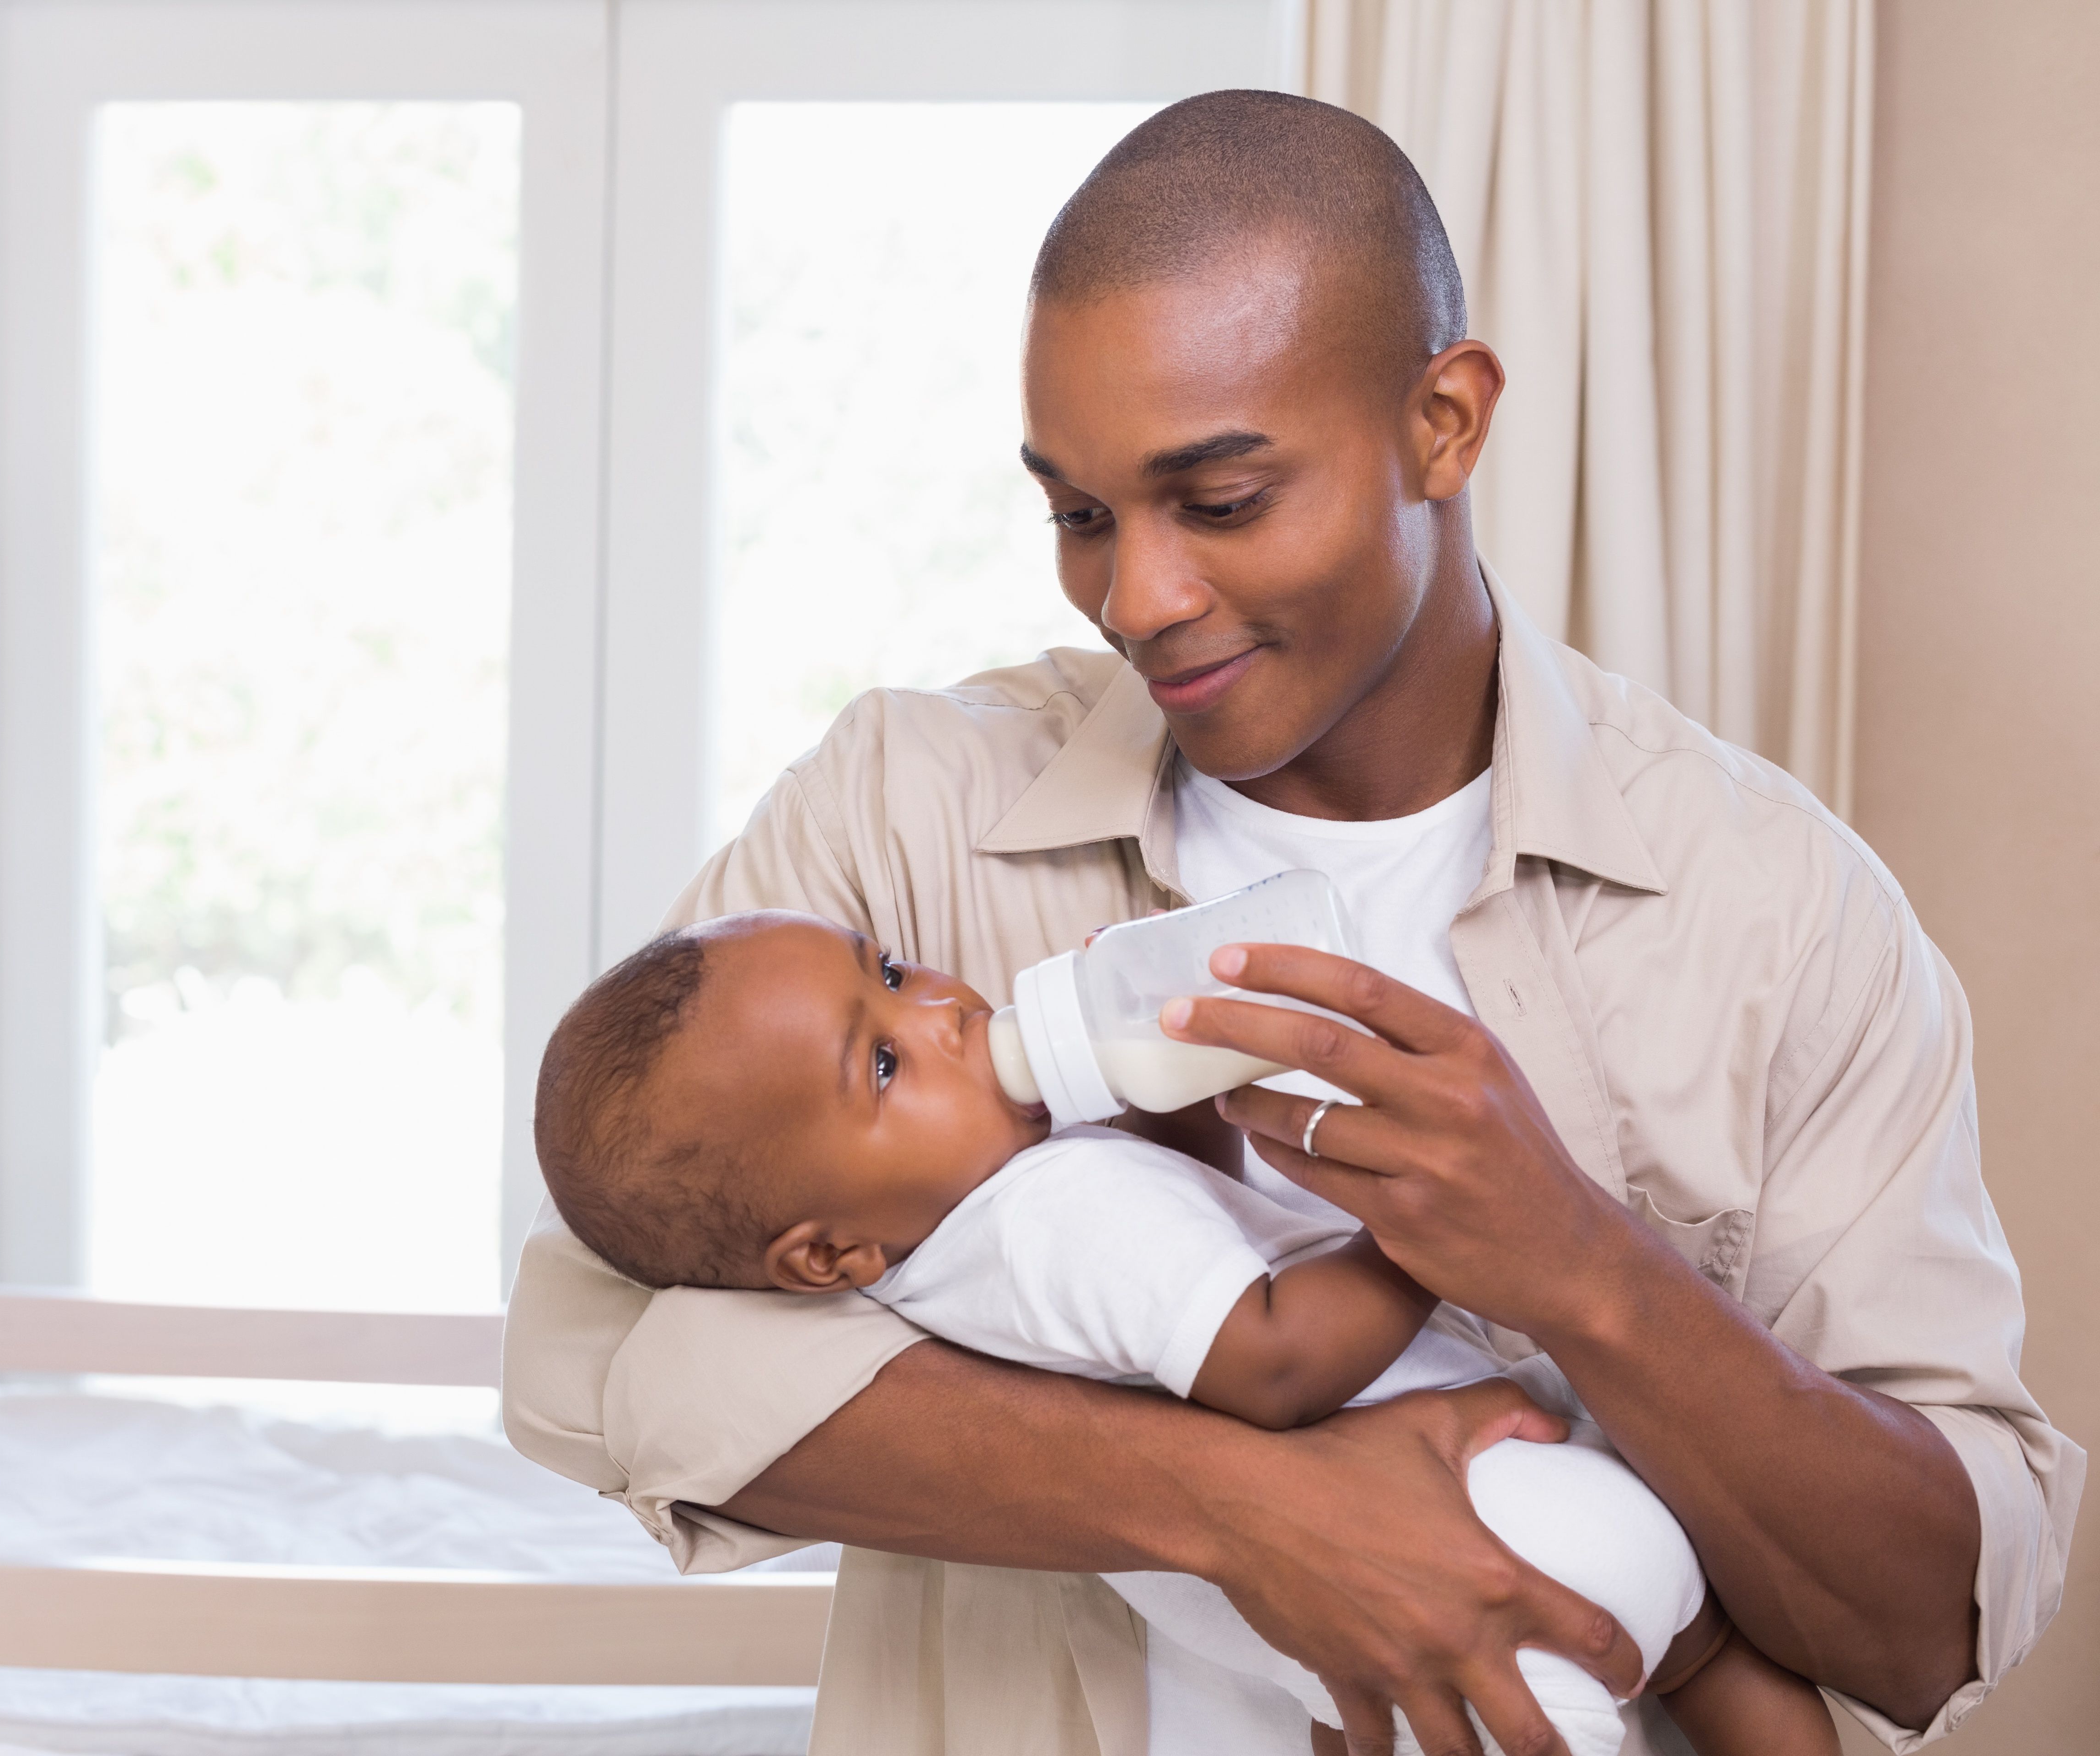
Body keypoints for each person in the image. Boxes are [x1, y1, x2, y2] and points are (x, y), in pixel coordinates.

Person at [500, 90, 2081, 1756]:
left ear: (1445, 424)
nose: (1138, 600)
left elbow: (1925, 1623)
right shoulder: (906, 813)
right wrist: (1238, 1508)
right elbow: (590, 1360)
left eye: (1225, 500)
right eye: (1082, 515)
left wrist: (1582, 1270)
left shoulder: (1775, 912)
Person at [532, 907, 1845, 1756]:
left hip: (1406, 1612)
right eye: (880, 1064)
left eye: (888, 970)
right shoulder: (1044, 1219)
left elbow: (1178, 1267)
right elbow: (1271, 1361)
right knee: (1721, 1662)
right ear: (824, 1254)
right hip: (1495, 1548)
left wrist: (1179, 1108)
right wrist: (1426, 1225)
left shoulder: (956, 1252)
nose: (937, 1011)